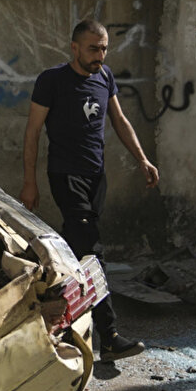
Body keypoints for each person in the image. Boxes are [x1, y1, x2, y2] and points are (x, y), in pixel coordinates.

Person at [21, 20, 159, 362]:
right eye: (93, 48)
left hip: (97, 176)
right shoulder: (52, 81)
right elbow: (33, 132)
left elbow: (120, 121)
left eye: (105, 48)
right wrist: (30, 181)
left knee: (75, 252)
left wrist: (141, 159)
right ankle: (108, 334)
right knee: (92, 249)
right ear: (74, 48)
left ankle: (56, 324)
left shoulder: (105, 77)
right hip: (66, 175)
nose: (100, 55)